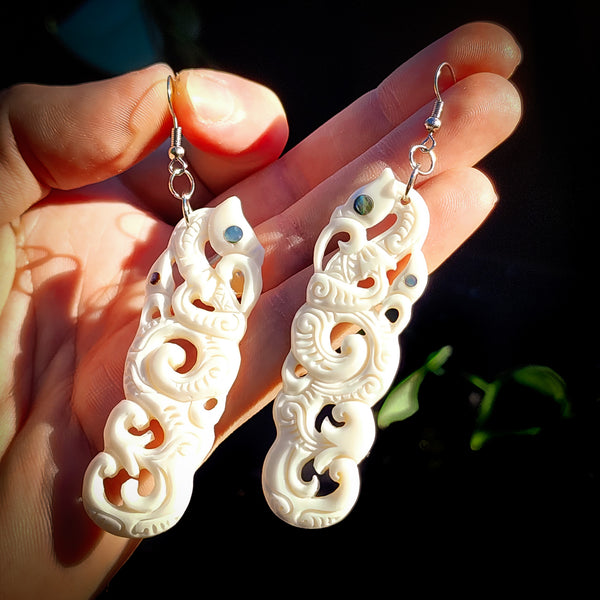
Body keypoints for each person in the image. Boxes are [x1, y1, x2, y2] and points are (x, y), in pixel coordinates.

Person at [0, 21, 521, 598]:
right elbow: (170, 299)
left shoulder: (363, 260)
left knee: (311, 384)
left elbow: (383, 298)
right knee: (196, 386)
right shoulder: (201, 273)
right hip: (196, 364)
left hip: (316, 341)